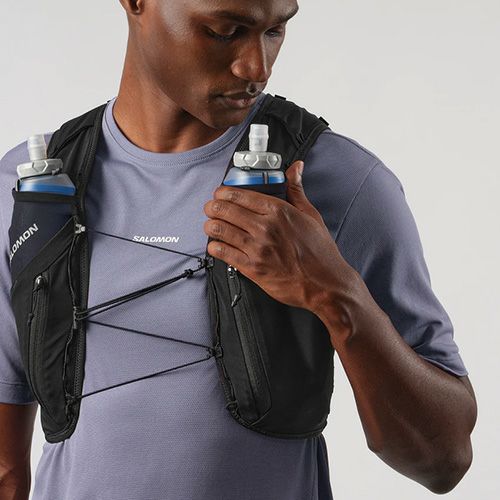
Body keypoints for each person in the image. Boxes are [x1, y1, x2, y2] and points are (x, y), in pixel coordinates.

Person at [0, 1, 477, 499]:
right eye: (226, 31)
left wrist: (336, 293)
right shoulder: (28, 193)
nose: (257, 68)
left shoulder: (336, 183)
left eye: (275, 31)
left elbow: (444, 460)